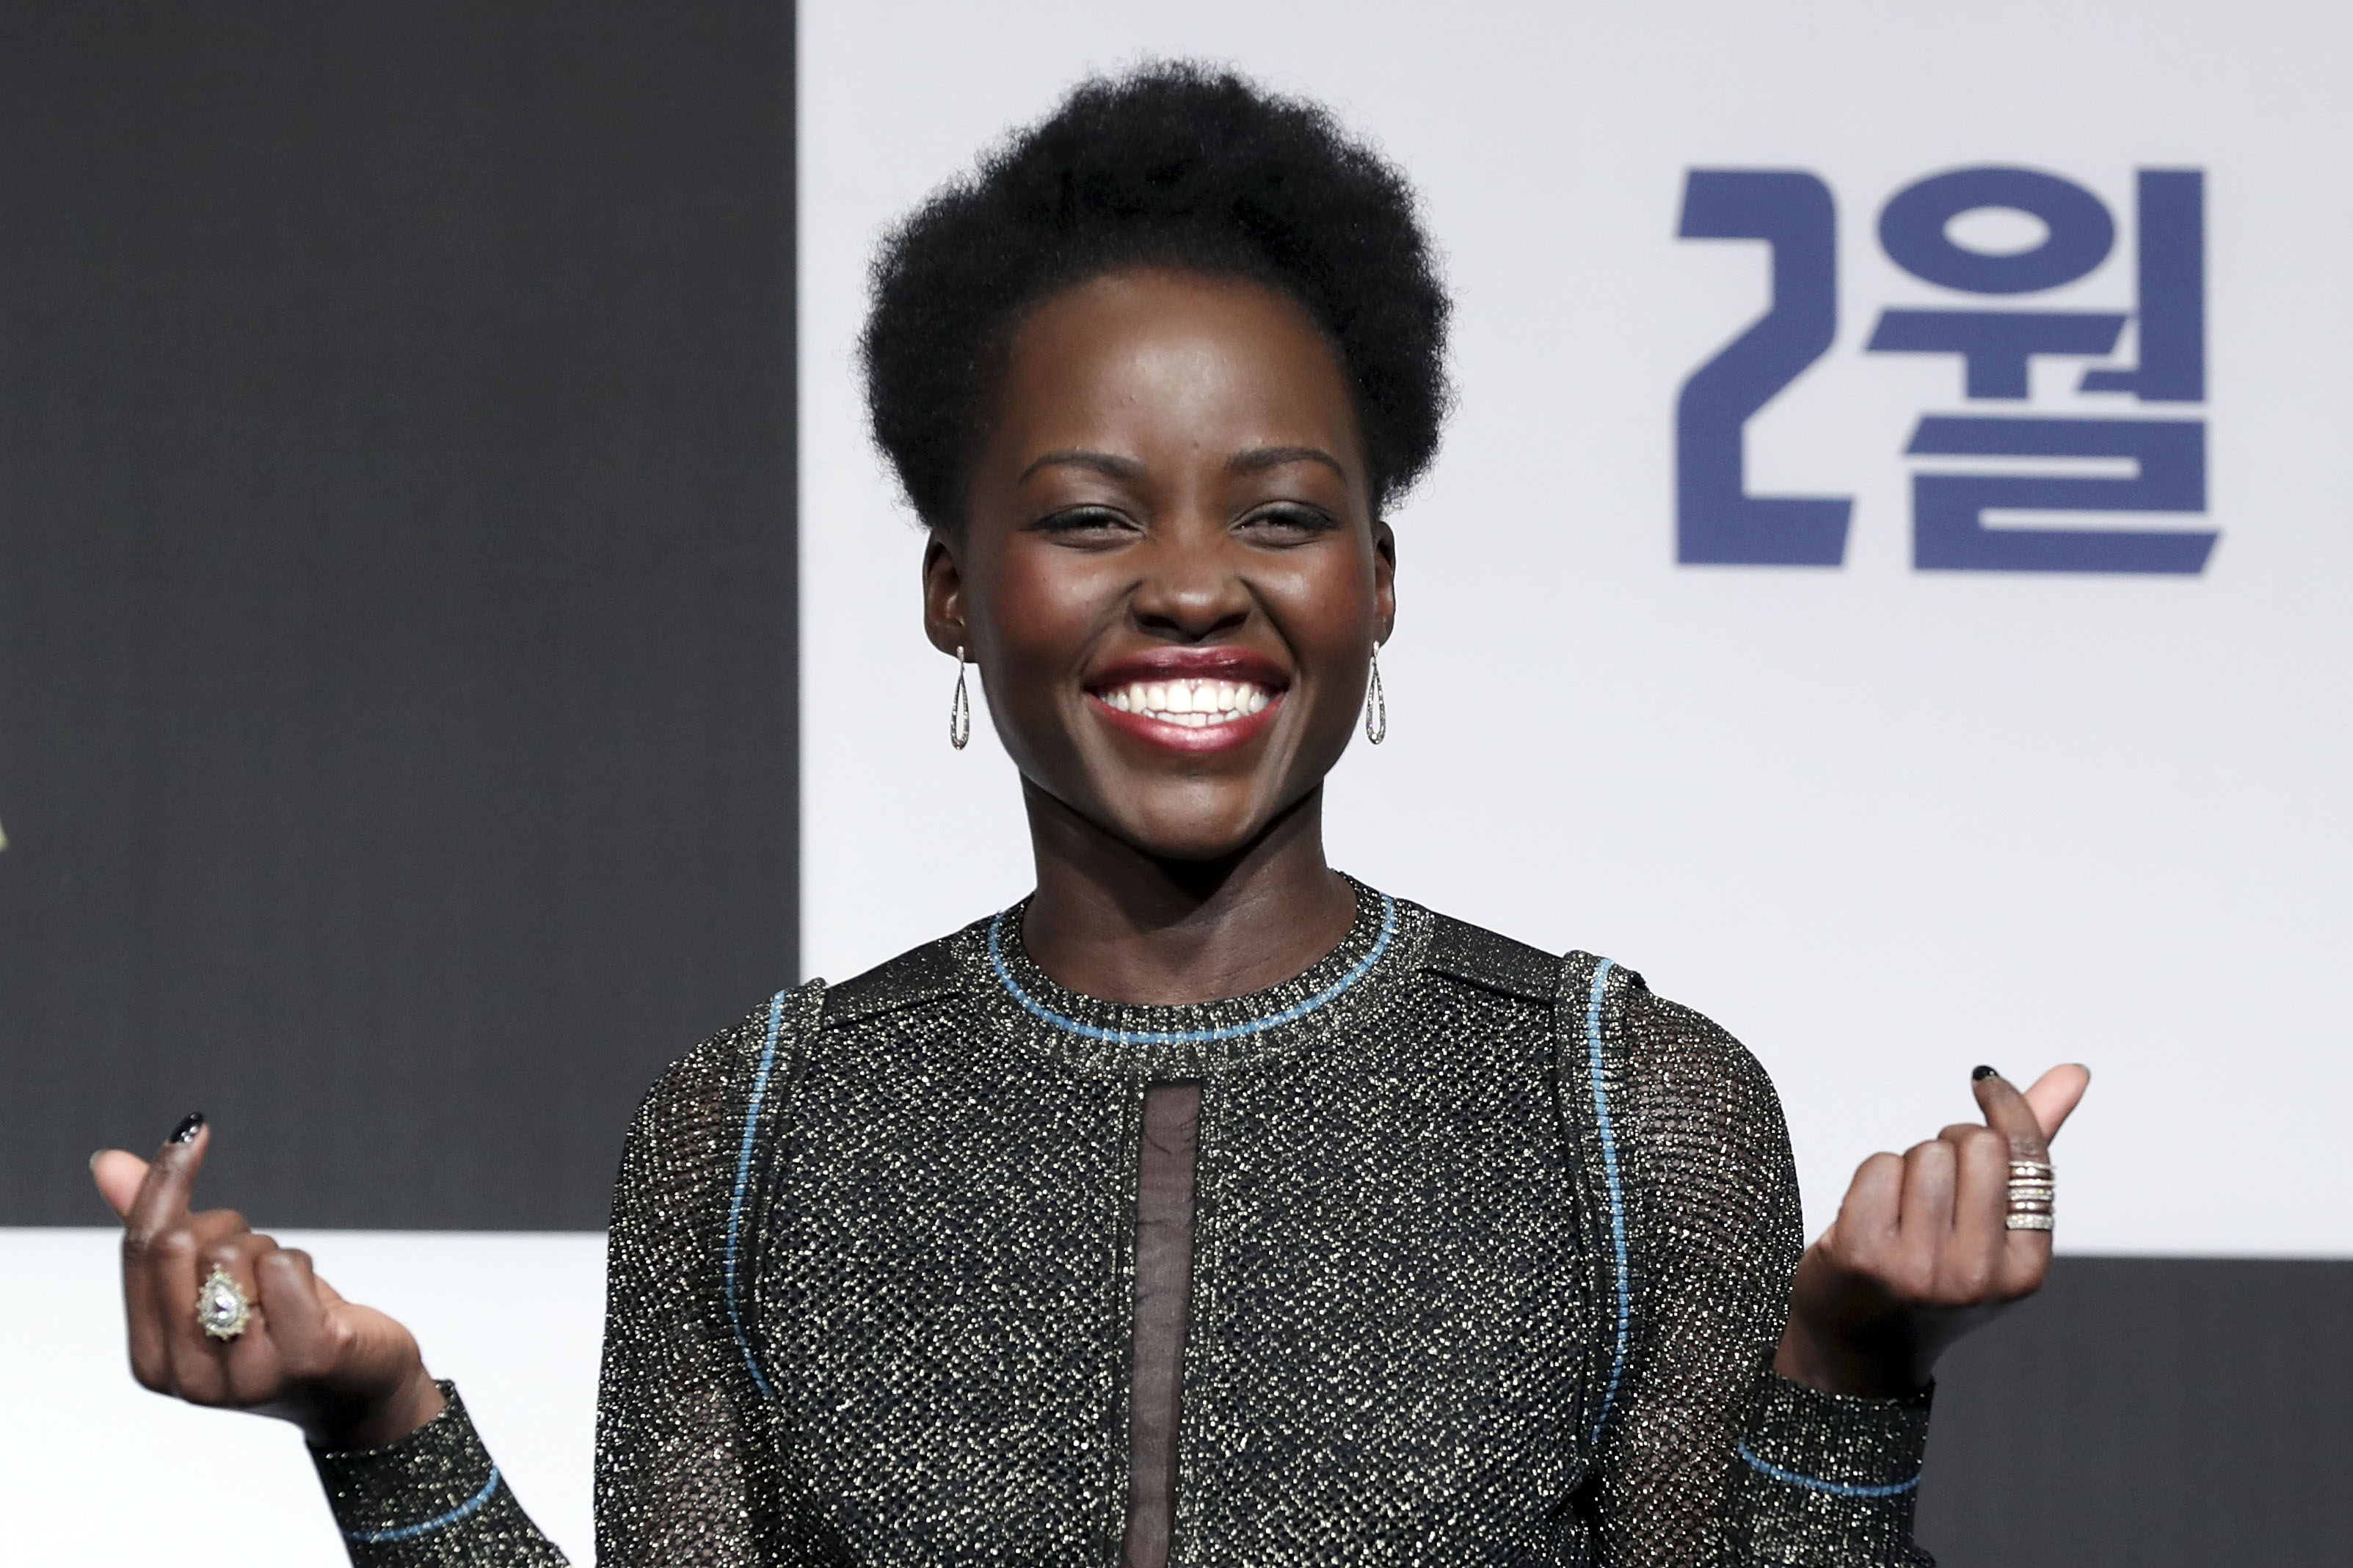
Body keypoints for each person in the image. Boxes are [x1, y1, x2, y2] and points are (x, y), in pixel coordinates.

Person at [93, 64, 2088, 1567]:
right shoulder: (750, 1127)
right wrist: (381, 1426)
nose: (1196, 585)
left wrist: (1851, 1376)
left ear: (1379, 580)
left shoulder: (1626, 1106)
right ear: (957, 590)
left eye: (1281, 513)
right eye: (1091, 516)